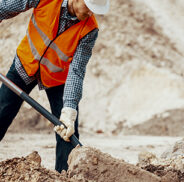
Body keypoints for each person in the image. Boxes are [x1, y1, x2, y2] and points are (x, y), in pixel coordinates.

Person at [0, 0, 110, 172]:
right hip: (25, 65)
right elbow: (5, 8)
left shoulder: (90, 29)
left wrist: (69, 109)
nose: (91, 13)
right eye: (89, 7)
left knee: (67, 133)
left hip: (58, 78)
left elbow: (77, 71)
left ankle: (64, 181)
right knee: (2, 110)